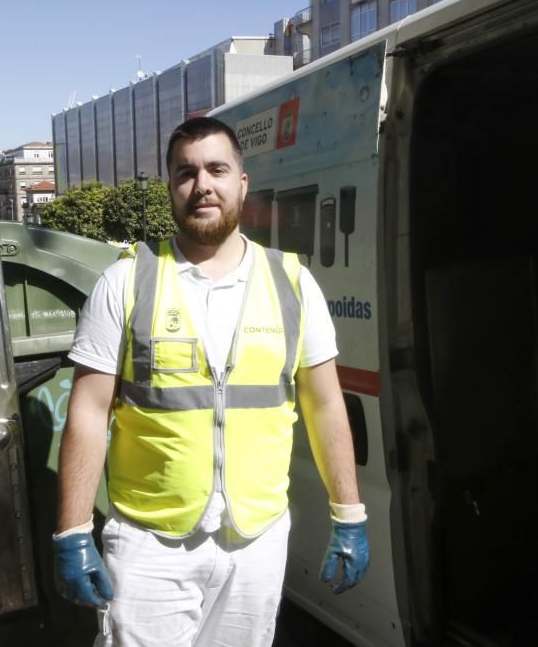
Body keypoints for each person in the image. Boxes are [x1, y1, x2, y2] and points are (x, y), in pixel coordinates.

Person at [53, 117, 369, 646]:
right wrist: (72, 530)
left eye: (217, 169)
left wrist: (350, 514)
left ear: (241, 183)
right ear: (170, 189)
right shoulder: (126, 281)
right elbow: (87, 411)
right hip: (151, 544)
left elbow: (325, 405)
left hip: (257, 540)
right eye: (186, 173)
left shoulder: (293, 282)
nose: (202, 185)